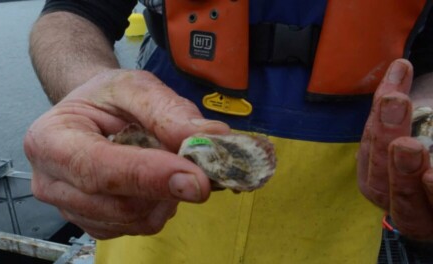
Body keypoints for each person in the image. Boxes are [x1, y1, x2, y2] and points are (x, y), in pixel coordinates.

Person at [25, 0, 433, 263]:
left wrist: (420, 127)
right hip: (152, 208)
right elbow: (71, 13)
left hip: (335, 227)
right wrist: (88, 90)